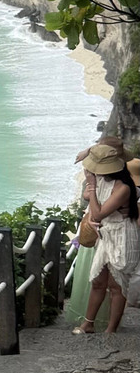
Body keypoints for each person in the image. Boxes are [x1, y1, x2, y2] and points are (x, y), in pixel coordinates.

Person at [70, 143, 140, 334]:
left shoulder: (124, 188)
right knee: (98, 281)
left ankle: (111, 329)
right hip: (106, 236)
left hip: (122, 236)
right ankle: (88, 323)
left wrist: (92, 186)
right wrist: (90, 153)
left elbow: (99, 213)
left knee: (117, 286)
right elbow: (87, 197)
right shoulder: (102, 181)